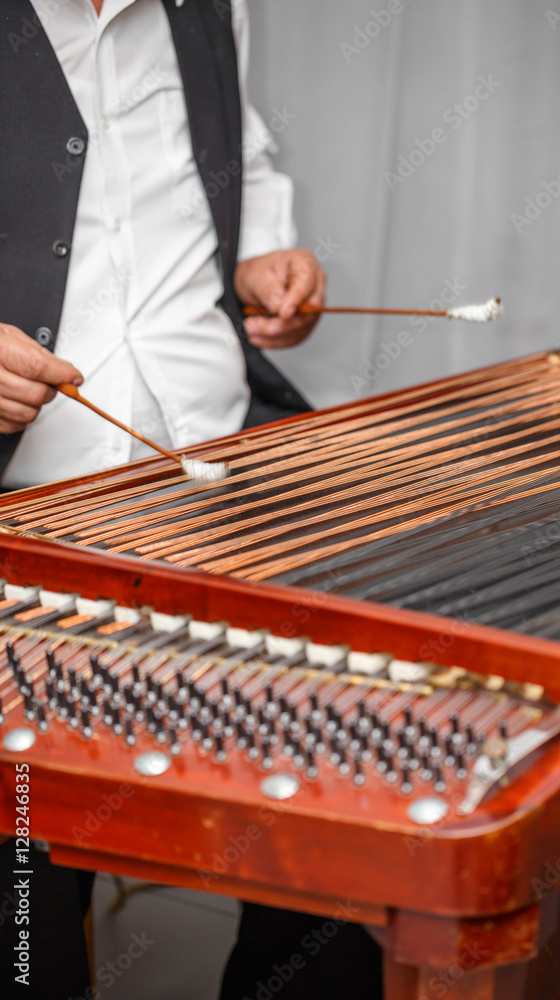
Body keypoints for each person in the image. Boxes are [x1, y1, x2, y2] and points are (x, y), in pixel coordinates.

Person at [0, 1, 383, 998]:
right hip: (24, 511)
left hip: (225, 468)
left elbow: (232, 156)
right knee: (26, 862)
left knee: (336, 811)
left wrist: (261, 249)